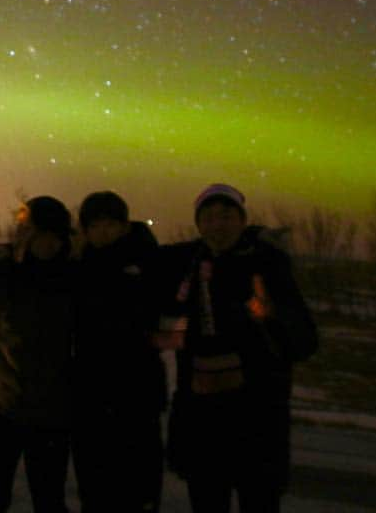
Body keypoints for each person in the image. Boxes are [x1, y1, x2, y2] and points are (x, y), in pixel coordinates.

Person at [160, 184, 318, 513]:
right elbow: (138, 256)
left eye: (227, 216)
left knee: (258, 499)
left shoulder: (267, 264)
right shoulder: (188, 262)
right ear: (199, 224)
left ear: (242, 221)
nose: (218, 225)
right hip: (202, 416)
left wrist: (270, 319)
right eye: (209, 217)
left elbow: (304, 342)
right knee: (206, 499)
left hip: (256, 417)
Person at [0, 196, 76, 513]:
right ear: (28, 234)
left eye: (55, 236)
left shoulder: (73, 281)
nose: (48, 244)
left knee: (49, 501)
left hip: (52, 417)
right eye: (41, 234)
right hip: (0, 411)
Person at [71, 191, 165, 513]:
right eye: (95, 226)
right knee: (95, 489)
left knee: (138, 487)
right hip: (90, 396)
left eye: (110, 224)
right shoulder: (80, 265)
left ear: (125, 225)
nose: (103, 232)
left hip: (137, 393)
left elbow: (172, 318)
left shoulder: (149, 260)